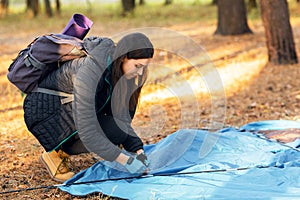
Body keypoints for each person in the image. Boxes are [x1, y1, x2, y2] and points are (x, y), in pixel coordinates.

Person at [23, 32, 154, 182]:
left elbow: (122, 119)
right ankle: (56, 153)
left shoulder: (124, 73)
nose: (141, 72)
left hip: (71, 110)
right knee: (106, 135)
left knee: (117, 132)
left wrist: (139, 152)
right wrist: (127, 161)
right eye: (138, 66)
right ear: (124, 57)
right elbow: (88, 131)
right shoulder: (91, 70)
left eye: (144, 67)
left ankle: (69, 146)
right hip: (46, 113)